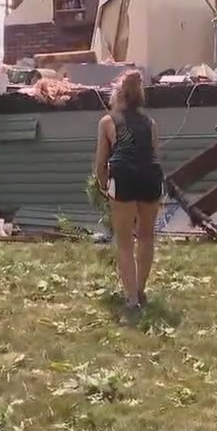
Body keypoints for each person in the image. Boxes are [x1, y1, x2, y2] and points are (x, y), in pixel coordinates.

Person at [93, 69, 163, 321]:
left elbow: (101, 163)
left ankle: (132, 300)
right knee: (146, 236)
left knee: (124, 241)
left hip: (124, 175)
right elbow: (154, 154)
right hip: (151, 176)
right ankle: (140, 290)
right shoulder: (150, 123)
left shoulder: (108, 122)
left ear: (117, 95)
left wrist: (103, 186)